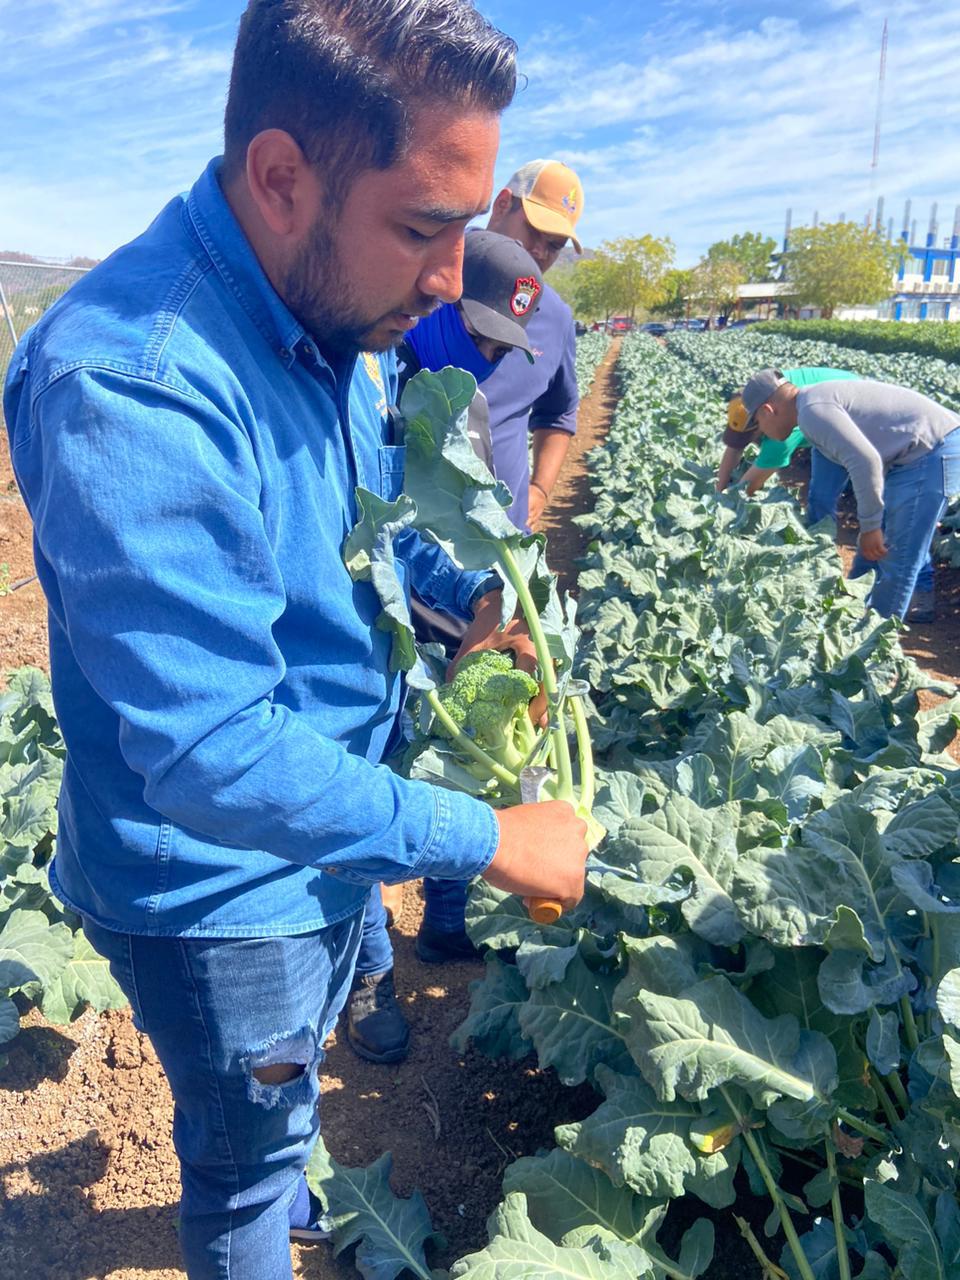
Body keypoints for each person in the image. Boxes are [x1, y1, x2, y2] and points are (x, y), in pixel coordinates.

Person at [3, 5, 590, 1279]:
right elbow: (215, 752)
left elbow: (362, 533)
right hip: (224, 893)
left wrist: (469, 596)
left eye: (465, 226)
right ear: (281, 177)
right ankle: (261, 1202)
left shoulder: (335, 314)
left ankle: (281, 1169)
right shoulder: (136, 381)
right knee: (240, 1175)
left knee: (279, 1111)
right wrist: (490, 837)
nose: (451, 279)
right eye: (424, 227)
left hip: (325, 835)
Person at [347, 230, 544, 1065]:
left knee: (461, 771)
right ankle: (369, 975)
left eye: (501, 348)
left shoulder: (443, 399)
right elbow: (382, 531)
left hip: (442, 619)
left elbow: (425, 535)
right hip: (362, 633)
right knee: (355, 804)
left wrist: (489, 599)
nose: (488, 360)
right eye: (480, 337)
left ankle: (449, 920)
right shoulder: (363, 378)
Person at [718, 366, 937, 622]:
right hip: (832, 426)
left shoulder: (791, 421)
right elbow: (734, 448)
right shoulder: (772, 398)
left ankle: (918, 591)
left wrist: (725, 509)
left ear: (765, 413)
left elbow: (749, 485)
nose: (757, 441)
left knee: (900, 523)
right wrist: (719, 492)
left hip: (870, 429)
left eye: (755, 434)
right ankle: (828, 573)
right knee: (821, 499)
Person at [482, 158, 585, 531]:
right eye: (534, 231)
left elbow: (558, 412)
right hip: (411, 543)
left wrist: (540, 487)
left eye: (554, 245)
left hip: (502, 542)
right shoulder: (430, 283)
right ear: (501, 205)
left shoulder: (555, 318)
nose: (540, 252)